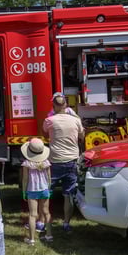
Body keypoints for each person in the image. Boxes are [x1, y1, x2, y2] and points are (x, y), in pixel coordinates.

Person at [43, 94, 85, 232]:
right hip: (72, 161)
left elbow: (45, 133)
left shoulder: (49, 120)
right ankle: (66, 224)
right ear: (66, 105)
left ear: (54, 106)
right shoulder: (75, 120)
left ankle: (43, 222)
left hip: (54, 162)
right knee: (68, 194)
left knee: (46, 193)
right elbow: (82, 136)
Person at [20, 138, 52, 244]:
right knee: (46, 212)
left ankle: (32, 239)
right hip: (44, 189)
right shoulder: (46, 162)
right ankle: (49, 235)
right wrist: (49, 188)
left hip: (32, 190)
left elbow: (25, 179)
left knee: (33, 214)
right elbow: (49, 178)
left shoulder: (27, 163)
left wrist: (24, 192)